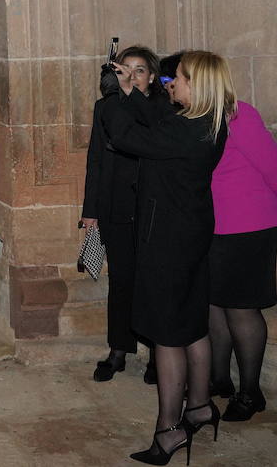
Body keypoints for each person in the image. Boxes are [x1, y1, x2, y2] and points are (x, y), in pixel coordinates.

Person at [99, 50, 234, 465]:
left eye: (177, 79)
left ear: (198, 84)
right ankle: (199, 407)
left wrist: (112, 97)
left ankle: (169, 430)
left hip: (168, 241)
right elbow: (158, 123)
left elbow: (127, 138)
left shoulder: (189, 131)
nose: (169, 84)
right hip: (188, 233)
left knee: (167, 334)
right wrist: (133, 92)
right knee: (192, 324)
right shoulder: (203, 123)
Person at [81, 45, 163, 383]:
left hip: (152, 211)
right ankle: (119, 348)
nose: (130, 75)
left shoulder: (162, 110)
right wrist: (91, 211)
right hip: (115, 207)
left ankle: (160, 353)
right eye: (123, 69)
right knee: (122, 282)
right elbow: (96, 161)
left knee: (155, 283)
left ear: (152, 77)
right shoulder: (105, 107)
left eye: (139, 70)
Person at [207, 95, 277, 422]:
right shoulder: (194, 115)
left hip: (250, 223)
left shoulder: (237, 113)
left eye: (180, 78)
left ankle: (251, 391)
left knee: (241, 307)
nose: (173, 85)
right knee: (212, 302)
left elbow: (273, 165)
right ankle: (219, 377)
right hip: (210, 224)